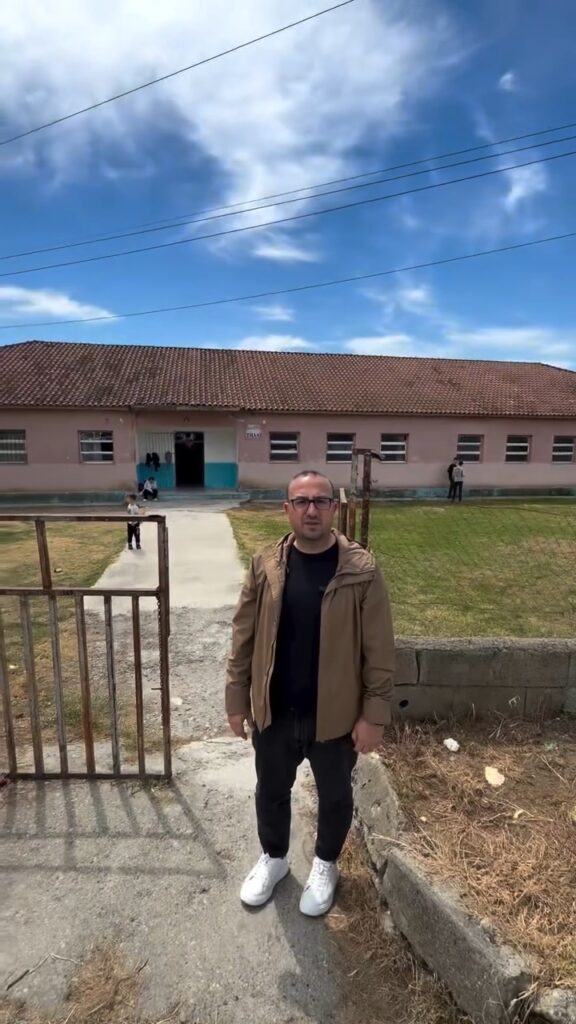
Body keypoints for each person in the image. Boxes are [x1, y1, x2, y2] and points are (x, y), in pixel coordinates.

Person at [226, 470, 395, 917]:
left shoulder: (360, 570)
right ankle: (274, 858)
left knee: (335, 795)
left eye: (321, 501)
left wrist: (374, 715)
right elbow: (243, 636)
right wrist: (236, 699)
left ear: (334, 508)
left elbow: (379, 649)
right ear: (287, 509)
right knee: (270, 790)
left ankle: (325, 864)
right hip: (276, 711)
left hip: (335, 715)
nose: (312, 510)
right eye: (301, 502)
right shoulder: (266, 565)